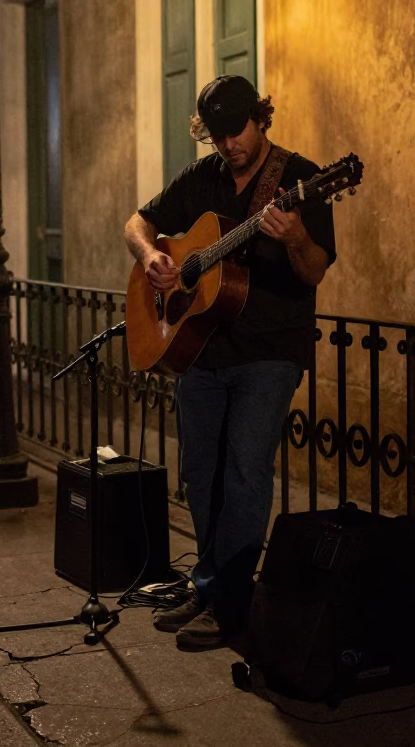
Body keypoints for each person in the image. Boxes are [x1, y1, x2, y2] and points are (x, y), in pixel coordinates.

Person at [124, 74, 336, 649]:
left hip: (269, 350)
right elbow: (138, 222)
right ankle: (211, 584)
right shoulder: (202, 179)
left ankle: (230, 602)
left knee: (244, 472)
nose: (228, 146)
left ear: (260, 118)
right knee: (201, 473)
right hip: (200, 349)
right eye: (216, 137)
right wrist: (152, 260)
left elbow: (315, 269)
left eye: (236, 132)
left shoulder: (300, 179)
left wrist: (294, 238)